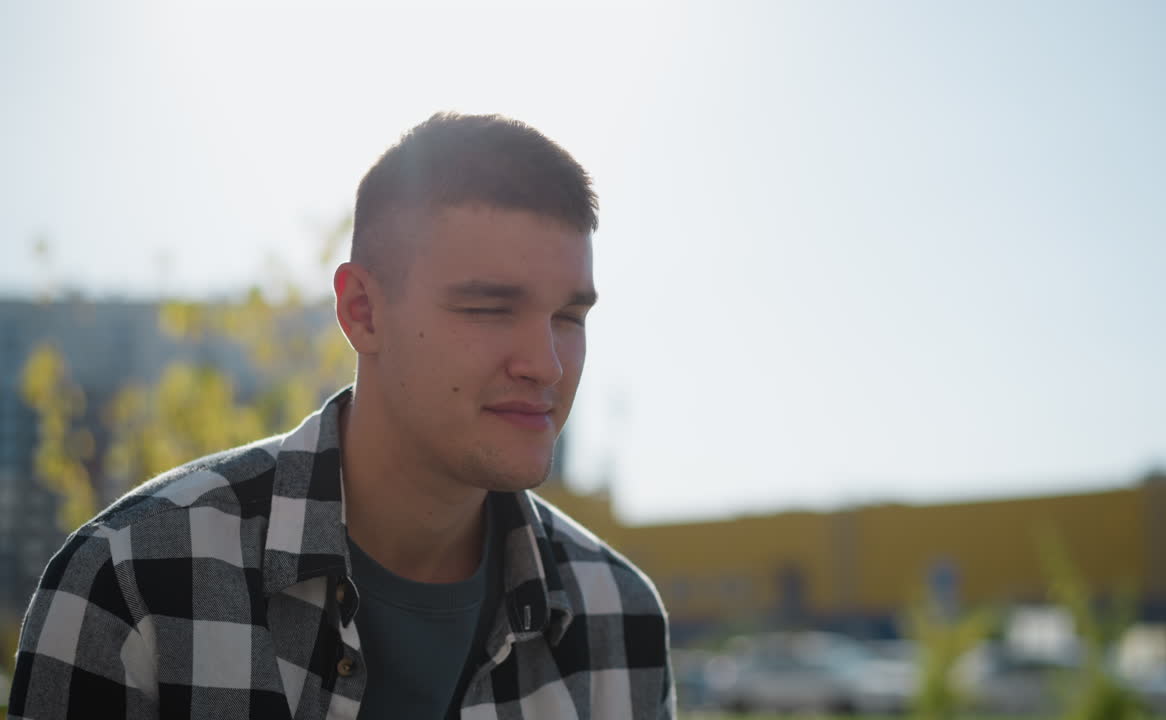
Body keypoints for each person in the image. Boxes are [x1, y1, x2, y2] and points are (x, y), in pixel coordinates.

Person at [8, 112, 673, 719]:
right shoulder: (130, 581)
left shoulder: (621, 619)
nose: (547, 364)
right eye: (490, 309)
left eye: (569, 317)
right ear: (363, 312)